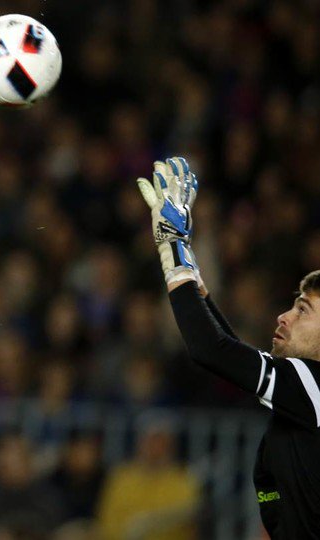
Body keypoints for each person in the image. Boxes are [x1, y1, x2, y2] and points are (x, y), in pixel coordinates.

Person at [137, 157, 320, 538]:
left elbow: (212, 349)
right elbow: (231, 351)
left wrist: (172, 248)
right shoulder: (301, 397)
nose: (284, 316)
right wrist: (191, 272)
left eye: (303, 310)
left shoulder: (313, 383)